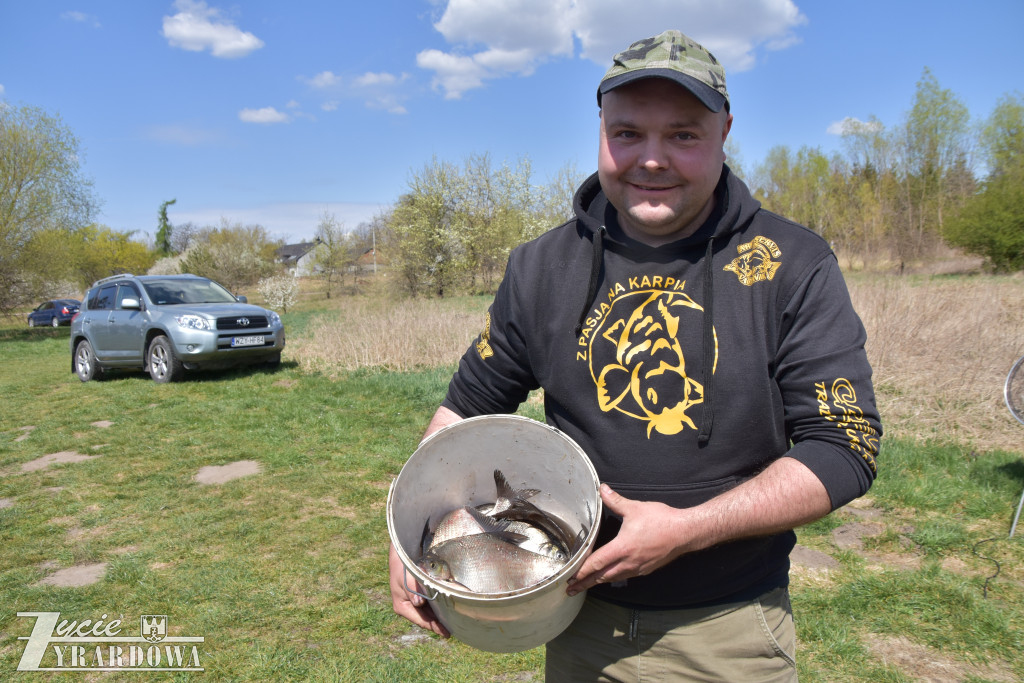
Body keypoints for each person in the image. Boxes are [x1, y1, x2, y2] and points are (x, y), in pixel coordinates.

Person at [389, 28, 881, 682]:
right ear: (599, 130)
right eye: (627, 133)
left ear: (724, 132)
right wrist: (409, 528)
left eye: (683, 134)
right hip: (576, 619)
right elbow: (464, 409)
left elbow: (844, 446)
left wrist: (690, 529)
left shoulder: (791, 263)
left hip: (727, 631)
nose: (652, 158)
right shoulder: (541, 267)